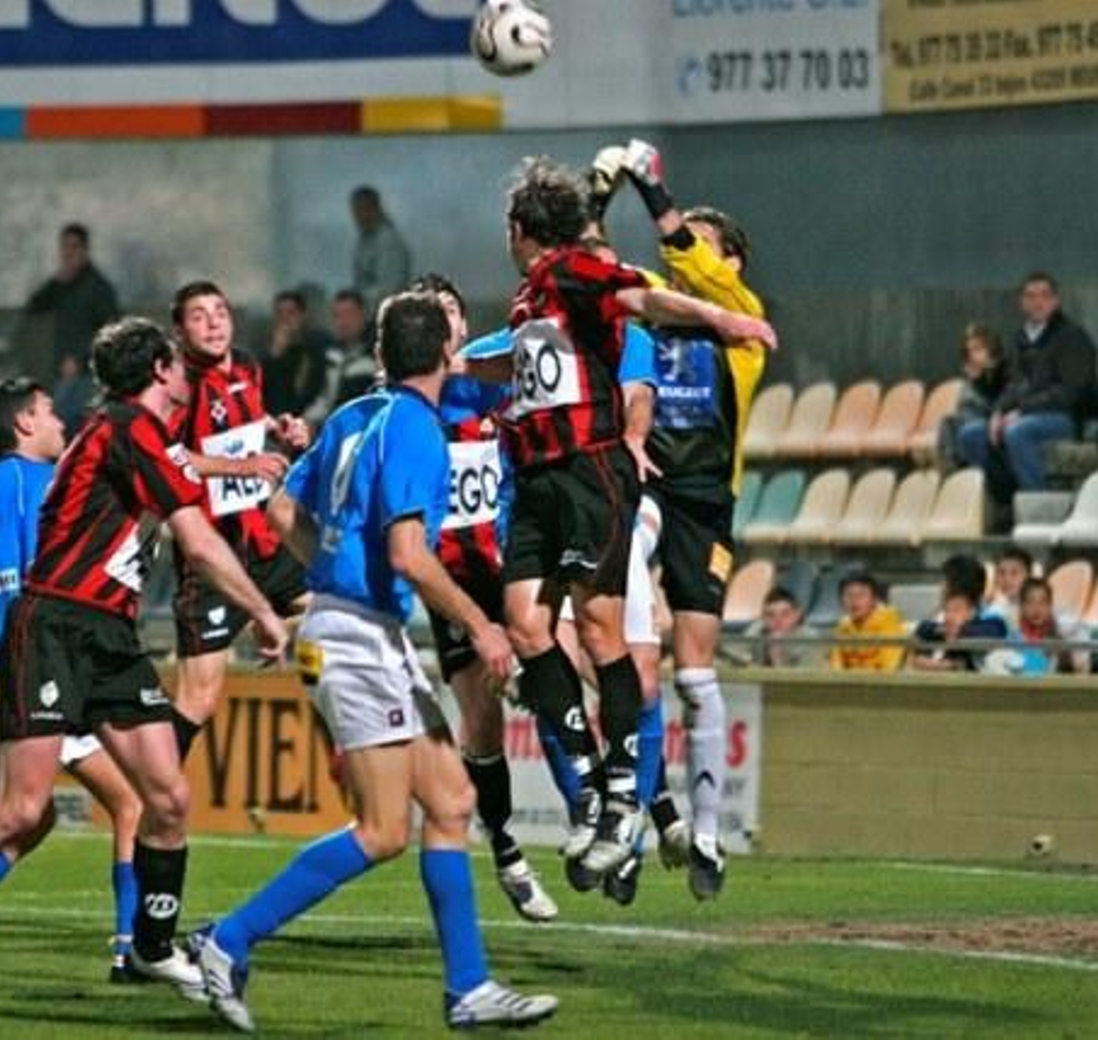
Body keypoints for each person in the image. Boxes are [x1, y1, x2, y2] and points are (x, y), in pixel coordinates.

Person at [0, 317, 288, 1004]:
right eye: (178, 363)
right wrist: (265, 612)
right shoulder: (127, 428)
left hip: (110, 637)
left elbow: (182, 484)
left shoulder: (130, 433)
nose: (189, 372)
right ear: (158, 371)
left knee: (167, 797)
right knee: (18, 809)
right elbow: (200, 540)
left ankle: (151, 948)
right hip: (54, 625)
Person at [194, 290, 557, 1033]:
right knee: (384, 829)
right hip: (358, 640)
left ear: (384, 355)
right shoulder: (421, 430)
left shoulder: (354, 415)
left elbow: (281, 512)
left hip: (359, 630)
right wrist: (483, 627)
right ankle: (226, 939)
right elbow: (409, 555)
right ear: (447, 357)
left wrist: (328, 570)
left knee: (452, 803)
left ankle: (470, 988)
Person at [467, 156, 772, 884]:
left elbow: (642, 302)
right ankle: (594, 776)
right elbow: (522, 360)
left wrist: (722, 317)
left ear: (517, 230)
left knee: (602, 631)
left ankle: (626, 797)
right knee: (526, 625)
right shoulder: (534, 294)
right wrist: (450, 367)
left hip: (589, 473)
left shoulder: (574, 272)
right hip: (541, 478)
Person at [591, 136, 773, 901]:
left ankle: (704, 832)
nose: (685, 251)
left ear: (730, 261)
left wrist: (650, 186)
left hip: (707, 501)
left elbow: (680, 250)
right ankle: (631, 814)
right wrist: (600, 194)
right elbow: (591, 268)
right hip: (649, 493)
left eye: (703, 242)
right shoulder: (653, 310)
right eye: (684, 237)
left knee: (695, 672)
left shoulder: (740, 317)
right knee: (628, 656)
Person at [0, 377, 144, 982]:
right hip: (22, 655)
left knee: (28, 812)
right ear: (23, 424)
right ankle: (131, 949)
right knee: (132, 801)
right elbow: (45, 576)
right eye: (50, 414)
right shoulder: (38, 485)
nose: (62, 424)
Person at [413, 273, 557, 923]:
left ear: (466, 326)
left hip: (510, 560)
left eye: (451, 312)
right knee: (482, 716)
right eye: (430, 316)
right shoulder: (411, 402)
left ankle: (599, 812)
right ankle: (505, 849)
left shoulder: (498, 378)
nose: (444, 325)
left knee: (571, 660)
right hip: (451, 576)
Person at [166, 282, 312, 760]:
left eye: (220, 312)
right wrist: (243, 466)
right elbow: (168, 457)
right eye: (198, 316)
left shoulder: (247, 366)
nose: (212, 323)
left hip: (264, 542)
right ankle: (151, 793)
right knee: (199, 701)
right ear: (179, 329)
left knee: (336, 606)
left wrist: (279, 427)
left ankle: (347, 739)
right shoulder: (177, 384)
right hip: (213, 556)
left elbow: (243, 422)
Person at [957, 273, 1098, 505]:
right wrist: (998, 412)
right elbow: (1012, 385)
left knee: (1018, 431)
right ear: (1022, 303)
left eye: (1045, 295)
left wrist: (1022, 411)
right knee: (971, 434)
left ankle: (1040, 506)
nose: (1038, 302)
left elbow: (1071, 392)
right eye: (1031, 296)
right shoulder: (1021, 340)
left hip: (1067, 417)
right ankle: (1007, 502)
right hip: (1027, 414)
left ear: (1056, 301)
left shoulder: (1073, 336)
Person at [23, 222, 121, 435]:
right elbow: (35, 306)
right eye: (64, 247)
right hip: (67, 371)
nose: (68, 253)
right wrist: (56, 281)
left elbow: (110, 329)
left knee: (59, 423)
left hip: (88, 373)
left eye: (74, 247)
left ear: (84, 250)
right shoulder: (63, 285)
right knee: (69, 428)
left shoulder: (98, 287)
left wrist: (79, 357)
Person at [909, 555, 1010, 673]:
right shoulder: (941, 617)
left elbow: (994, 631)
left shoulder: (991, 615)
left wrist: (957, 630)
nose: (940, 587)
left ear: (956, 584)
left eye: (944, 581)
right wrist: (941, 629)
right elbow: (923, 629)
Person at [306, 288, 377, 425]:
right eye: (337, 316)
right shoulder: (327, 356)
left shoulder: (376, 357)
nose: (344, 322)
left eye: (350, 314)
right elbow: (320, 399)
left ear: (364, 316)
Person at [942, 323, 1008, 467]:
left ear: (990, 347)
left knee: (968, 423)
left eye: (977, 349)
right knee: (947, 422)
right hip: (972, 417)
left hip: (994, 418)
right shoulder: (974, 372)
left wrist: (979, 381)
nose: (973, 355)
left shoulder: (1002, 368)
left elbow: (999, 402)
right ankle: (955, 470)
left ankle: (972, 471)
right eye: (970, 350)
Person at [260, 289, 332, 418]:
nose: (285, 319)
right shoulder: (266, 354)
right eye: (279, 313)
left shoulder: (315, 351)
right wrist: (275, 355)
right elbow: (262, 395)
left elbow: (309, 396)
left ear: (302, 315)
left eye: (291, 313)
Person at [829, 572, 908, 672]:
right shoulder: (843, 625)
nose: (854, 601)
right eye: (849, 595)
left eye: (861, 595)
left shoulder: (888, 619)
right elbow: (836, 666)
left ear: (875, 599)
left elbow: (890, 668)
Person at [349, 185, 412, 311]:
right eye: (355, 211)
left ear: (375, 209)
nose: (358, 217)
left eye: (363, 210)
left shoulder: (388, 242)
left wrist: (357, 301)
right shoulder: (366, 239)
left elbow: (389, 289)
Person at [1012, 576, 1082, 675]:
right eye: (1030, 602)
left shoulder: (1060, 643)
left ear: (1050, 606)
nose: (1036, 608)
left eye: (1043, 602)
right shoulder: (1012, 640)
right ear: (1022, 606)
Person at [743, 586, 820, 668]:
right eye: (770, 615)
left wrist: (778, 657)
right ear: (763, 618)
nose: (777, 621)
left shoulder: (810, 639)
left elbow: (804, 678)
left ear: (797, 615)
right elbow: (740, 659)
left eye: (785, 614)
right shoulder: (757, 629)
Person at [988, 546, 1034, 626]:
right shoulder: (992, 612)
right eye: (1001, 573)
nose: (1007, 580)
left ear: (1028, 577)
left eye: (1014, 573)